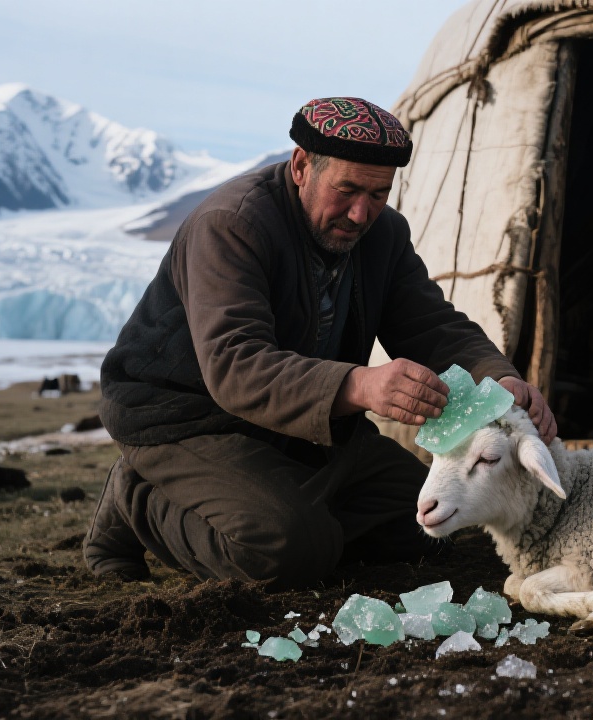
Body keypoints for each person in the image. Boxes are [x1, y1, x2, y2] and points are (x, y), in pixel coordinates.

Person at [83, 97, 556, 586]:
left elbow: (432, 325)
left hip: (299, 423)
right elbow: (234, 362)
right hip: (186, 418)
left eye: (378, 194)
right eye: (348, 189)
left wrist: (499, 380)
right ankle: (136, 494)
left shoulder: (383, 235)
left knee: (423, 523)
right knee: (284, 549)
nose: (359, 213)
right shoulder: (232, 224)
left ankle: (286, 505)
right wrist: (358, 387)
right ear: (301, 165)